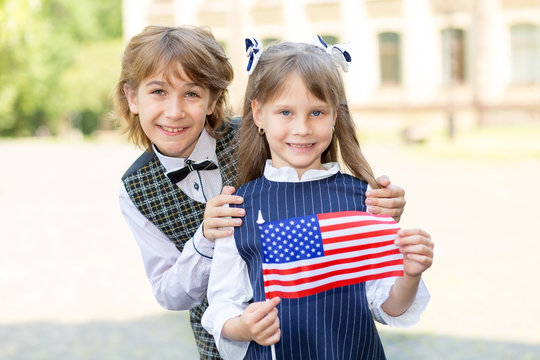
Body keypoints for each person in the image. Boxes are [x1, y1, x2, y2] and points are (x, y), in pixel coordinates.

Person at [115, 25, 407, 359]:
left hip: (319, 332)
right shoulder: (134, 189)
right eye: (158, 92)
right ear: (132, 97)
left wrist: (380, 208)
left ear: (212, 100)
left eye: (192, 94)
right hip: (225, 344)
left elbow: (325, 191)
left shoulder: (265, 133)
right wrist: (205, 240)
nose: (174, 111)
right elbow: (170, 294)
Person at [201, 38, 434, 360]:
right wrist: (243, 327)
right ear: (257, 113)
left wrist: (410, 273)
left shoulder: (364, 201)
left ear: (335, 115)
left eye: (316, 112)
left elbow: (388, 306)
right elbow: (222, 305)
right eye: (285, 112)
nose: (302, 128)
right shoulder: (238, 208)